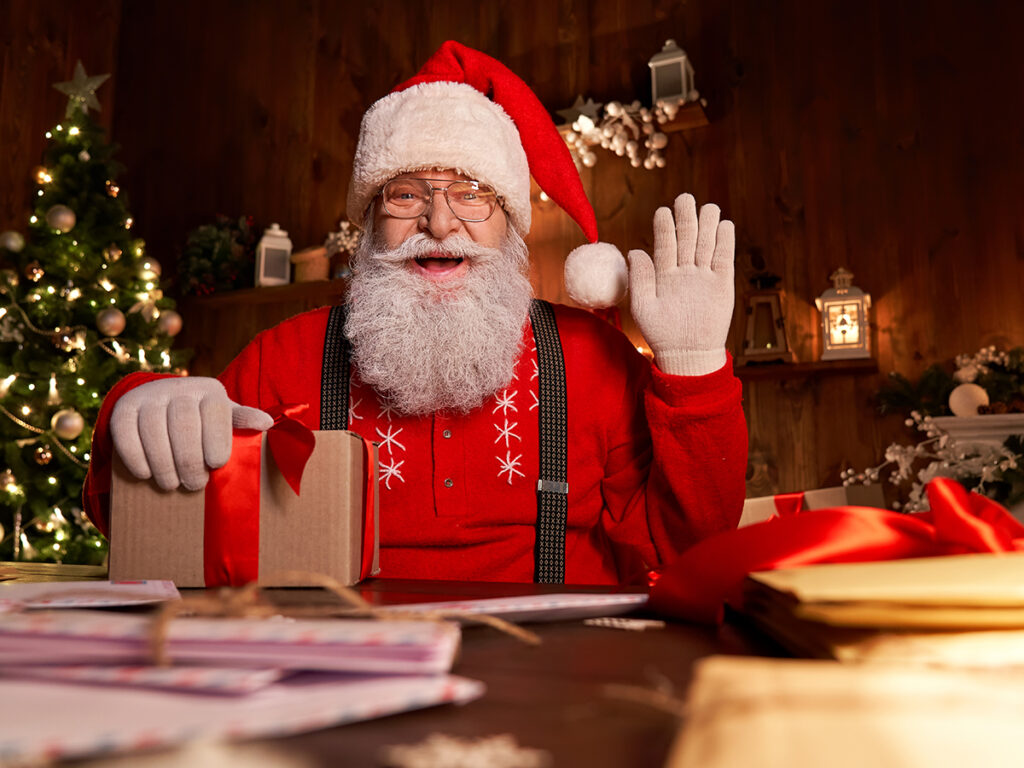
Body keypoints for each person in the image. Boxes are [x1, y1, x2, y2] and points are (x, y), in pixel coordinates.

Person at [84, 41, 747, 585]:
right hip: (335, 685)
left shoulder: (588, 358)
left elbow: (682, 548)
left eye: (472, 193)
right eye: (404, 195)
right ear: (368, 227)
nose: (438, 221)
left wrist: (694, 373)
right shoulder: (281, 359)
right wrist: (140, 408)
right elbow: (143, 519)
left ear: (511, 224)